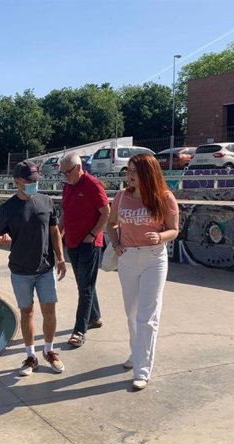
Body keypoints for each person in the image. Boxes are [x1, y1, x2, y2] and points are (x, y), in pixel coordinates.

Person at [105, 153, 179, 391]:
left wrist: (160, 236)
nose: (129, 175)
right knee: (131, 313)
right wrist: (116, 244)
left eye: (135, 171)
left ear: (148, 173)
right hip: (127, 258)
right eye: (128, 171)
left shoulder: (165, 198)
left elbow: (174, 230)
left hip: (153, 259)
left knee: (147, 316)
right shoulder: (121, 197)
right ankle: (136, 352)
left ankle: (142, 370)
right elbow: (111, 223)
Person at [0, 160, 67, 376]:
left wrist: (61, 258)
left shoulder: (46, 202)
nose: (34, 185)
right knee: (26, 312)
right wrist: (2, 239)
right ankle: (31, 356)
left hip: (45, 268)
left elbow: (55, 232)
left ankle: (49, 351)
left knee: (49, 311)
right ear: (18, 182)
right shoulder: (7, 208)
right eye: (30, 181)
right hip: (20, 271)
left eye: (36, 180)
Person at [59, 151, 111, 347]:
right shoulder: (67, 187)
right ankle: (94, 317)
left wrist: (92, 235)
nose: (65, 176)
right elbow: (65, 213)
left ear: (79, 168)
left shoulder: (92, 184)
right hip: (72, 243)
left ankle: (79, 330)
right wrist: (59, 235)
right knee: (85, 283)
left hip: (89, 244)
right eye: (62, 173)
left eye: (67, 172)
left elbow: (106, 212)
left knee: (85, 287)